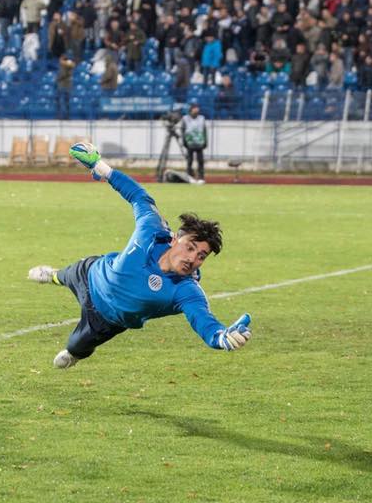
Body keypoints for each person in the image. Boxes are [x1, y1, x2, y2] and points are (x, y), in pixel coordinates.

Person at [26, 142, 252, 369]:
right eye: (190, 247)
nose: (193, 258)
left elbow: (204, 322)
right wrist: (100, 166)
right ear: (175, 239)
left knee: (75, 348)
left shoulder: (187, 291)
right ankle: (53, 275)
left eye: (202, 256)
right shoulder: (151, 229)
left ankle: (75, 353)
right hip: (92, 274)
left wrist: (221, 337)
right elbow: (138, 196)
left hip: (106, 319)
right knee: (65, 275)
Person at [181, 103, 207, 181]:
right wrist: (184, 141)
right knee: (189, 161)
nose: (197, 110)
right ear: (191, 109)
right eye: (195, 108)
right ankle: (189, 177)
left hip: (200, 143)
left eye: (197, 108)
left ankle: (201, 177)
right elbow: (183, 130)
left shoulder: (202, 118)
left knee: (201, 161)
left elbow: (204, 130)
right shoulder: (185, 118)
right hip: (190, 143)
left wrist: (206, 141)